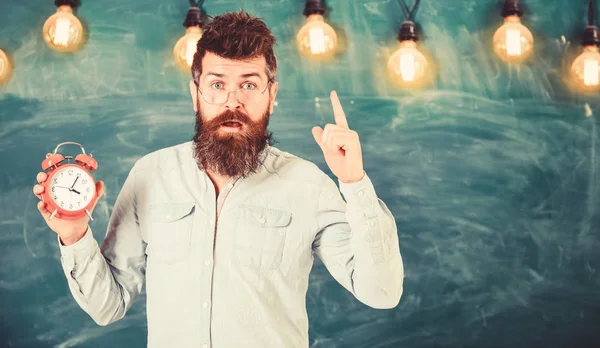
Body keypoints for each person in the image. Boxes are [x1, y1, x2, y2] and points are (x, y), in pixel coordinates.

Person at [32, 11, 404, 348]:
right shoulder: (150, 175)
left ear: (271, 94)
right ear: (196, 94)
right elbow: (107, 307)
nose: (232, 101)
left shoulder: (309, 185)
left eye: (248, 85)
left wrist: (353, 181)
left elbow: (382, 292)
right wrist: (74, 234)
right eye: (216, 84)